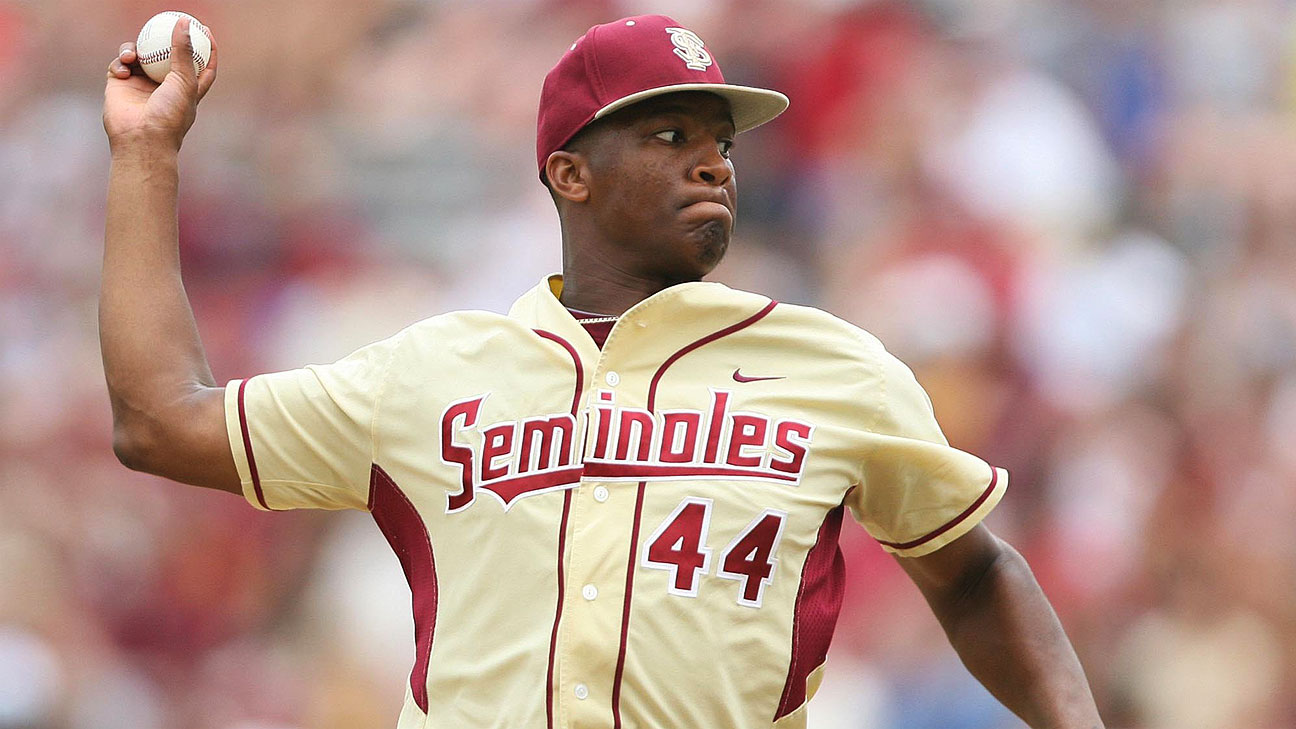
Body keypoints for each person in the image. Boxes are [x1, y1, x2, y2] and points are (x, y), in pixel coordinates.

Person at [101, 13, 1104, 729]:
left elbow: (974, 574)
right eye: (670, 136)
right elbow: (159, 420)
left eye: (720, 143)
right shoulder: (433, 371)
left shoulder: (836, 366)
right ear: (569, 173)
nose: (712, 162)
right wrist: (147, 156)